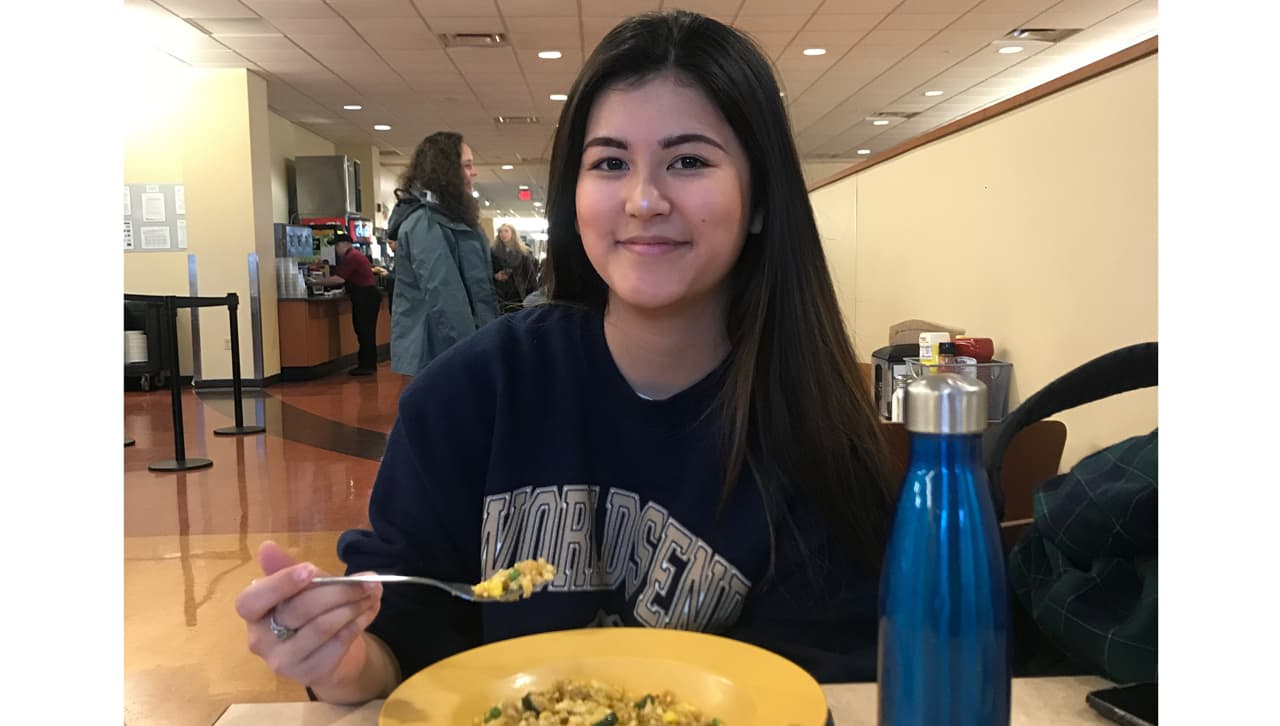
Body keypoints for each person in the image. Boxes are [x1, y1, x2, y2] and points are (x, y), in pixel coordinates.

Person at [234, 9, 894, 704]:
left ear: (761, 200)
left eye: (689, 161)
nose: (643, 200)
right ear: (572, 196)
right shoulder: (470, 395)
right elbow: (398, 638)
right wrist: (336, 659)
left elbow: (825, 679)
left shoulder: (813, 426)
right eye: (610, 163)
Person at [384, 131, 497, 376]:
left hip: (453, 352)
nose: (473, 172)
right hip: (438, 356)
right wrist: (475, 355)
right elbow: (445, 297)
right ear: (446, 172)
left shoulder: (452, 219)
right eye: (467, 166)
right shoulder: (424, 224)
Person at [315, 232, 380, 376]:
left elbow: (339, 279)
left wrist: (317, 282)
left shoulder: (352, 257)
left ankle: (367, 366)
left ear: (346, 244)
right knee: (365, 331)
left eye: (337, 245)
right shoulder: (355, 255)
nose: (336, 249)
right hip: (367, 296)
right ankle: (367, 364)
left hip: (365, 296)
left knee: (364, 331)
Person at [490, 223, 537, 314]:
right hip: (501, 292)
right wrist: (495, 276)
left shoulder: (523, 252)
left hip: (519, 291)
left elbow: (530, 274)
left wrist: (536, 292)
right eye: (500, 231)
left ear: (513, 233)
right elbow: (490, 270)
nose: (503, 234)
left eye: (506, 231)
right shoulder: (493, 252)